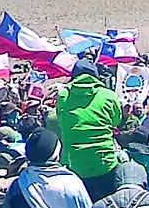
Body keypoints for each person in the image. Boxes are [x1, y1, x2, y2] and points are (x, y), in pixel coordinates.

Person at [52, 59, 124, 200]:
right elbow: (116, 121)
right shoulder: (109, 95)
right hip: (105, 164)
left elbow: (61, 121)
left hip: (74, 165)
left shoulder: (63, 95)